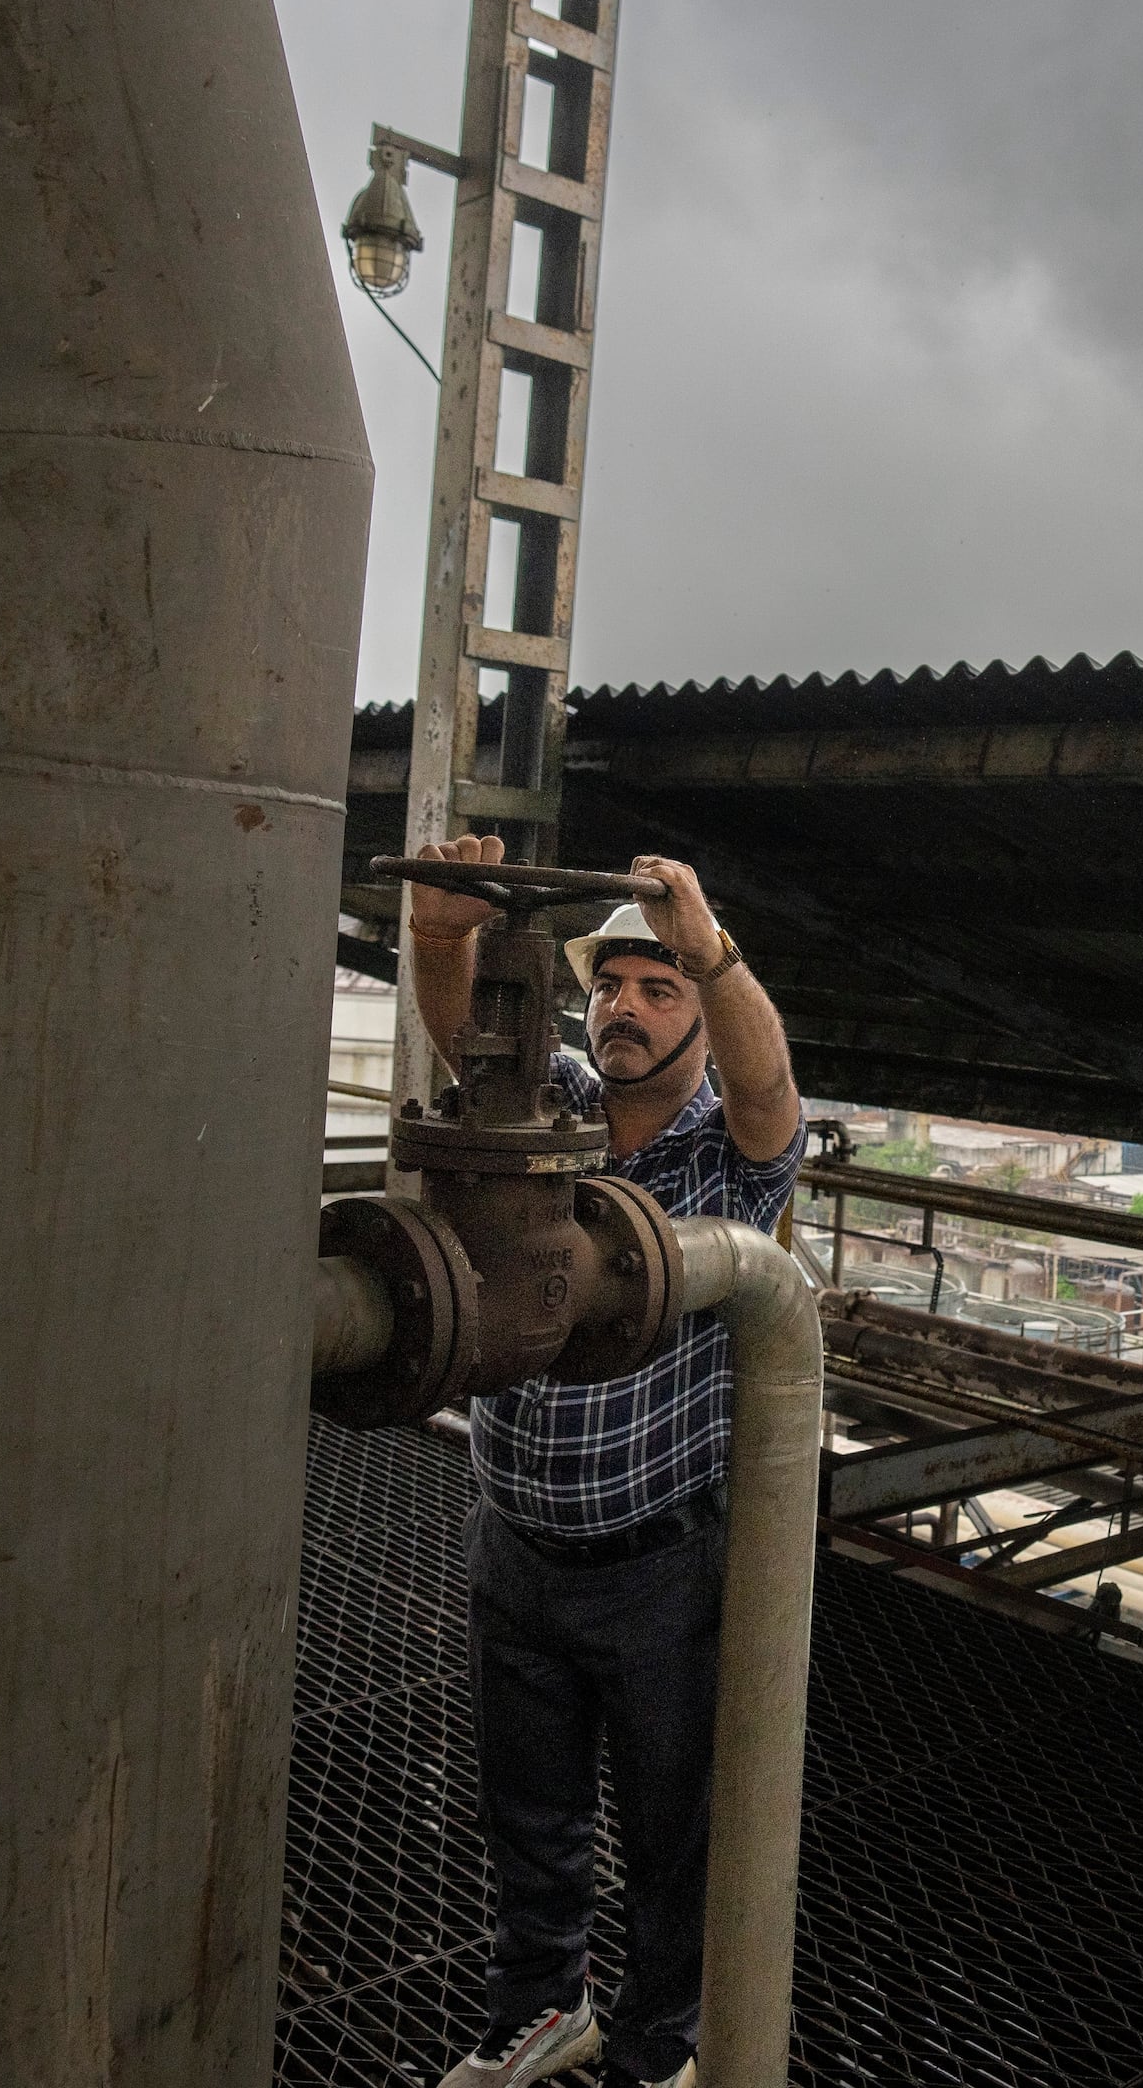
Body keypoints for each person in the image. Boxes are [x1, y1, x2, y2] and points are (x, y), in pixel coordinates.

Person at [401, 835, 803, 2088]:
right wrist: (440, 936)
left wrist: (712, 950)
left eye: (658, 990)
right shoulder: (554, 1108)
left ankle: (659, 2045)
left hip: (655, 1571)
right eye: (613, 988)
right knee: (527, 1808)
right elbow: (475, 1039)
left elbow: (770, 1092)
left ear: (695, 1013)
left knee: (672, 1826)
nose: (625, 1008)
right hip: (513, 1544)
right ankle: (539, 2009)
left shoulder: (719, 1163)